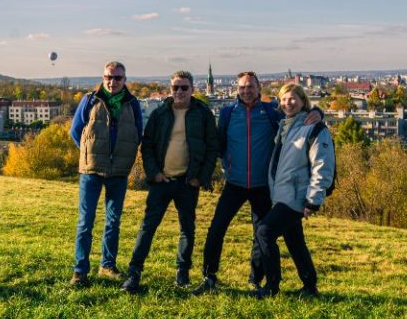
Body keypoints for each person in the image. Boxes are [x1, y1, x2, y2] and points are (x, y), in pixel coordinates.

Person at [193, 72, 320, 295]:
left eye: (250, 86)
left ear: (259, 89)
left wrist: (318, 112)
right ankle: (209, 276)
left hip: (263, 186)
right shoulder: (228, 113)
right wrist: (227, 165)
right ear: (237, 89)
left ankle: (256, 280)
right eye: (242, 87)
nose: (246, 91)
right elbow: (220, 144)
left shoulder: (272, 111)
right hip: (235, 183)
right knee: (216, 229)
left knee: (260, 234)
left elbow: (298, 112)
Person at [120, 71, 219, 294]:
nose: (179, 92)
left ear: (192, 89)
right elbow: (147, 146)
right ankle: (134, 273)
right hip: (161, 180)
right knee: (147, 227)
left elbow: (212, 148)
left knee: (187, 228)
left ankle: (182, 273)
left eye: (184, 87)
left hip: (188, 182)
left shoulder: (203, 113)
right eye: (176, 88)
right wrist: (154, 173)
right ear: (170, 89)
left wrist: (200, 178)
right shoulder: (160, 113)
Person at [255, 83, 335, 298]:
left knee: (264, 231)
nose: (287, 103)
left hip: (296, 195)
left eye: (292, 99)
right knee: (294, 239)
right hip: (283, 194)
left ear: (303, 101)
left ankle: (271, 286)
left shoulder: (314, 128)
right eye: (283, 99)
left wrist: (313, 200)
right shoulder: (285, 125)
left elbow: (322, 166)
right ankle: (309, 285)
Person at [69, 61, 143, 286]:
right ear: (103, 78)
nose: (112, 82)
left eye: (117, 78)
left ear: (124, 80)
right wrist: (89, 153)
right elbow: (75, 131)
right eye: (108, 77)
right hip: (91, 169)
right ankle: (80, 271)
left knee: (113, 221)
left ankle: (107, 266)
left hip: (118, 171)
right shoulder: (89, 100)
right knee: (85, 221)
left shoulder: (132, 104)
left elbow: (137, 134)